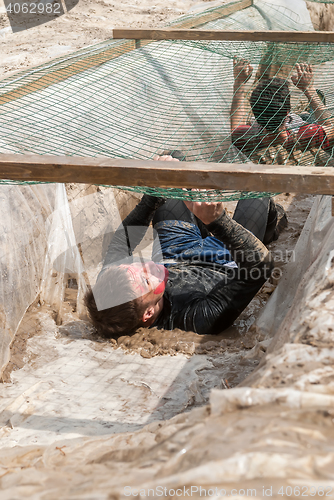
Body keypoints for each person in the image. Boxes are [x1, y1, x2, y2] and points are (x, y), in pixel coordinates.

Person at [84, 155, 285, 340]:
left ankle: (199, 217)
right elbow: (261, 266)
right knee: (257, 191)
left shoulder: (109, 289)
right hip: (226, 260)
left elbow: (121, 243)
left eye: (134, 266)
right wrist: (218, 221)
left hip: (175, 250)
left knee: (171, 168)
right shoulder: (196, 319)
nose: (145, 265)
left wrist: (152, 193)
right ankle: (272, 225)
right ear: (148, 314)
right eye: (146, 279)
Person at [230, 60, 334, 154]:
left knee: (304, 117)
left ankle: (309, 113)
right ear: (287, 113)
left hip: (265, 136)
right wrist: (309, 89)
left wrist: (239, 82)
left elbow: (236, 127)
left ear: (256, 114)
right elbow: (330, 127)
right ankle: (312, 111)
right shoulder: (307, 133)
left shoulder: (244, 135)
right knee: (307, 118)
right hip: (301, 129)